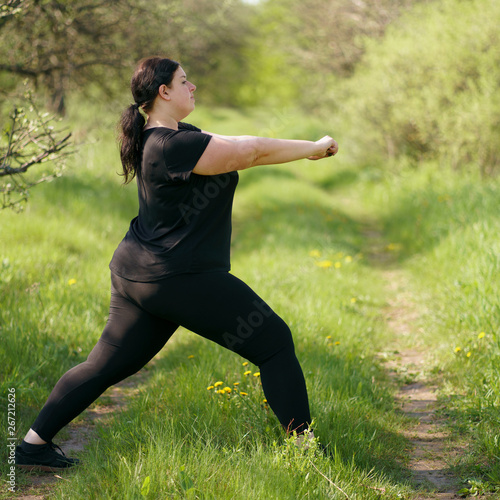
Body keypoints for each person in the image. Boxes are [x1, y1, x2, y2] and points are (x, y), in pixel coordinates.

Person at [15, 56, 338, 471]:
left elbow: (239, 142)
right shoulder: (175, 146)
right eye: (185, 81)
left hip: (137, 272)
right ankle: (306, 455)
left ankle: (31, 446)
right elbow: (252, 152)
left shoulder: (169, 136)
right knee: (274, 343)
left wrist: (306, 149)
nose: (194, 87)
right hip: (178, 276)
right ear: (163, 92)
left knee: (105, 364)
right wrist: (312, 149)